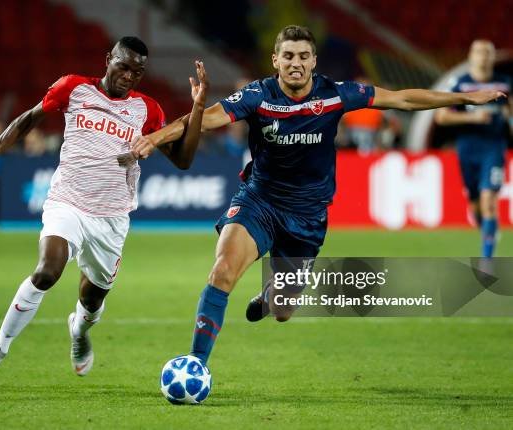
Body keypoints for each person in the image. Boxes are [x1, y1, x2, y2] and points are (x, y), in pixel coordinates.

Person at [130, 25, 506, 369]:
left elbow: (403, 99)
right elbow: (204, 119)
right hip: (258, 202)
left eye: (303, 56)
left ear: (314, 60)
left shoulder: (335, 94)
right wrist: (153, 138)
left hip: (307, 216)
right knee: (222, 271)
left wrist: (465, 98)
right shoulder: (258, 95)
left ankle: (269, 296)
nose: (296, 63)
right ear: (276, 60)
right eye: (288, 56)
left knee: (282, 310)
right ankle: (196, 363)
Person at [0, 36, 209, 382]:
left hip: (111, 217)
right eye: (124, 66)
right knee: (47, 270)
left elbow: (183, 160)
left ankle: (79, 332)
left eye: (138, 72)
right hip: (67, 201)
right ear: (108, 59)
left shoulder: (147, 110)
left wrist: (197, 109)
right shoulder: (73, 88)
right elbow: (28, 119)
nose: (129, 76)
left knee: (92, 298)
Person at [435, 40, 512, 258]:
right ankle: (486, 230)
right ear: (471, 56)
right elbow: (441, 117)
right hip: (467, 148)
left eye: (488, 52)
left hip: (494, 147)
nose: (484, 56)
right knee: (476, 202)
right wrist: (473, 116)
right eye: (479, 52)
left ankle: (487, 260)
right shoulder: (459, 84)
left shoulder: (505, 83)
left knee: (489, 200)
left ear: (493, 57)